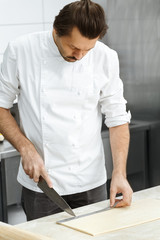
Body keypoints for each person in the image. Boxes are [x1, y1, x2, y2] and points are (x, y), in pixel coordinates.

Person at [0, 0, 132, 221]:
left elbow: (117, 118)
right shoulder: (21, 50)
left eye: (87, 49)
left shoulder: (106, 57)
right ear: (56, 31)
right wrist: (26, 149)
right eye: (74, 47)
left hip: (91, 180)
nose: (80, 56)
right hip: (42, 184)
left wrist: (119, 173)